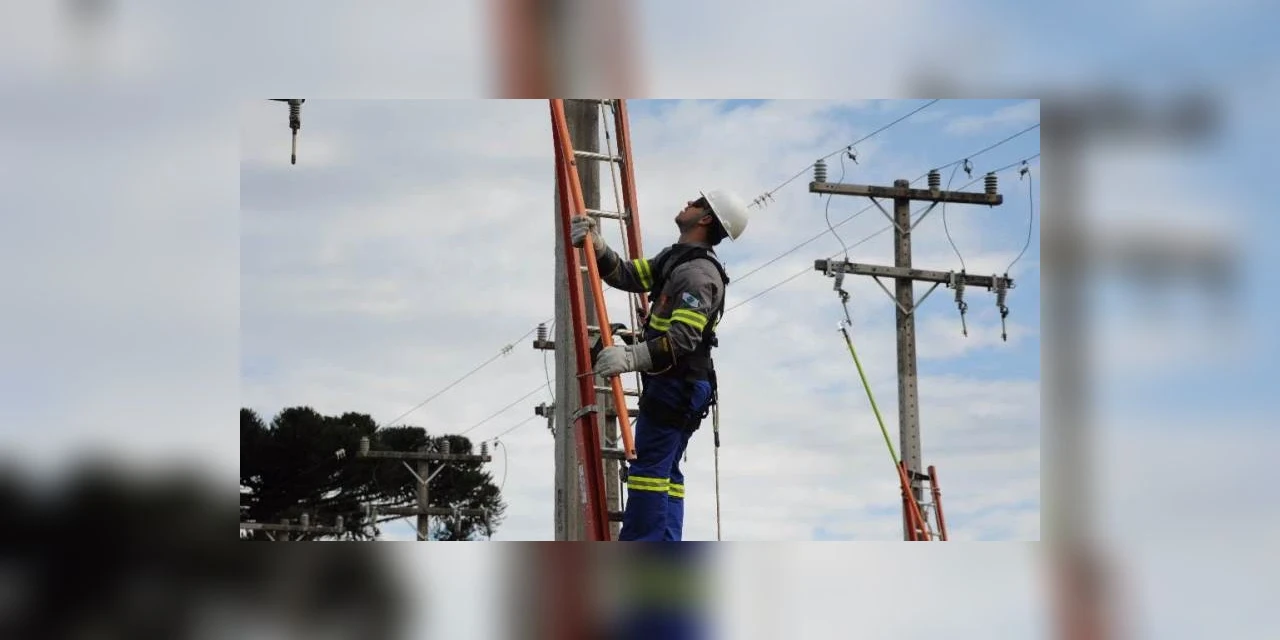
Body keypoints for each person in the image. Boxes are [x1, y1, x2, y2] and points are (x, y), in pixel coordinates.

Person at [570, 189, 749, 541]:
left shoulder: (698, 274)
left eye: (697, 203)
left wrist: (630, 357)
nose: (687, 202)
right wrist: (598, 245)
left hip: (679, 384)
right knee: (666, 469)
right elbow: (627, 275)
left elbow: (683, 337)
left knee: (648, 469)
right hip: (679, 384)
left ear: (706, 218)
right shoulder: (675, 259)